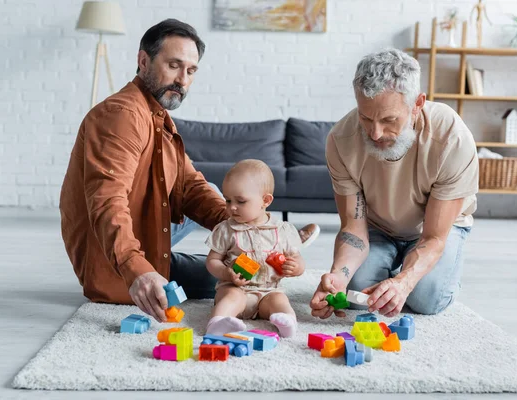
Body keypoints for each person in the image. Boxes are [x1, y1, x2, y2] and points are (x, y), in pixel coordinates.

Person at [59, 19, 319, 323]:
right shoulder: (121, 115)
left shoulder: (158, 117)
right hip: (111, 258)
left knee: (239, 267)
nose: (182, 80)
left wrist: (254, 231)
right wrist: (136, 269)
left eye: (191, 71)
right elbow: (107, 201)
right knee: (224, 280)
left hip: (146, 233)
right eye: (173, 65)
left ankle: (271, 233)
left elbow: (192, 187)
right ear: (143, 61)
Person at [309, 49, 478, 320]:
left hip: (433, 229)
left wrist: (404, 282)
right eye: (365, 118)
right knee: (356, 296)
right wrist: (338, 276)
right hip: (378, 228)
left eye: (389, 120)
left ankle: (435, 273)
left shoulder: (451, 138)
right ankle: (390, 266)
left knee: (427, 297)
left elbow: (434, 237)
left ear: (417, 104)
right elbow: (353, 229)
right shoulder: (341, 140)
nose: (375, 133)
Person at [204, 160, 304, 338]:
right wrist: (227, 273)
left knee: (279, 300)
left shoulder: (282, 230)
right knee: (232, 297)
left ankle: (286, 321)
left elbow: (297, 259)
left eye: (240, 201)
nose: (231, 207)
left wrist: (296, 268)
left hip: (267, 292)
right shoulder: (226, 229)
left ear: (265, 201)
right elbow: (212, 261)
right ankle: (218, 322)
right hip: (236, 288)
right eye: (227, 200)